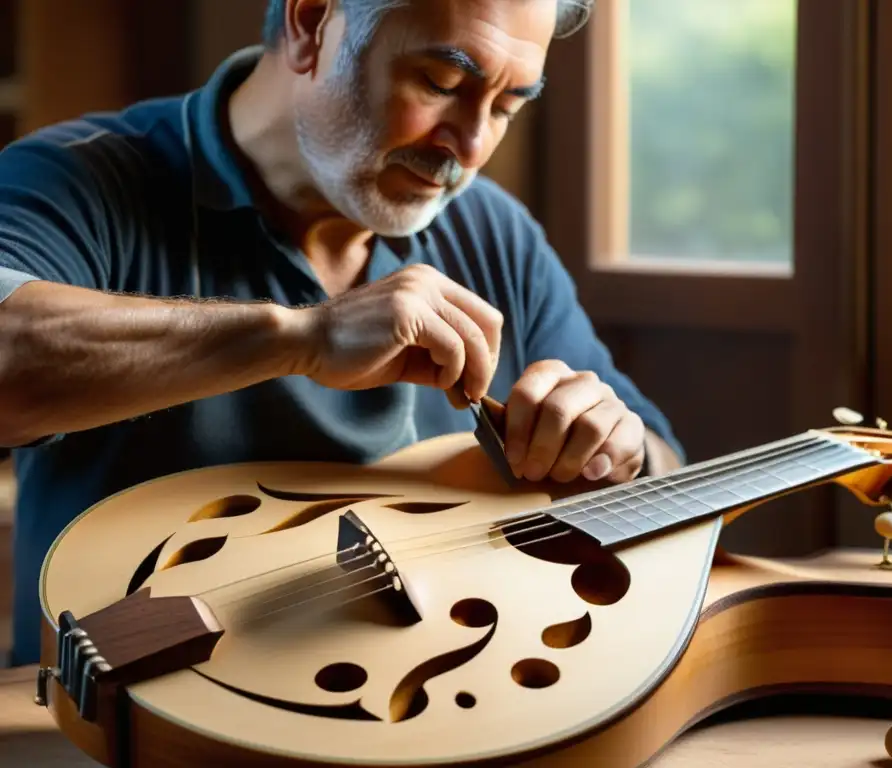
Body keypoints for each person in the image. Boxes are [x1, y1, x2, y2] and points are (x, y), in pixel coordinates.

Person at [0, 0, 684, 667]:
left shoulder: (494, 231)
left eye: (506, 106)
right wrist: (304, 337)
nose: (471, 147)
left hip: (434, 712)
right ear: (310, 24)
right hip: (124, 730)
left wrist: (614, 449)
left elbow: (664, 465)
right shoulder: (75, 180)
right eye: (442, 83)